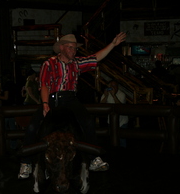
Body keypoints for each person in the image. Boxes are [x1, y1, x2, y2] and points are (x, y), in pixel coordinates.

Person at [18, 32, 127, 179]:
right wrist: (45, 104)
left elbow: (96, 57)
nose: (73, 51)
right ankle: (26, 163)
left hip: (70, 99)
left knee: (87, 121)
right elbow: (44, 85)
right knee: (33, 126)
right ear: (61, 48)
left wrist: (113, 44)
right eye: (70, 47)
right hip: (52, 98)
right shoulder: (49, 63)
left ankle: (94, 158)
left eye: (75, 48)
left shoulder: (77, 63)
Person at [100, 80, 128, 148]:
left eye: (114, 86)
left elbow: (120, 107)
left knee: (122, 140)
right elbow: (100, 105)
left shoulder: (122, 94)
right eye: (111, 86)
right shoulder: (106, 93)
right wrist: (106, 96)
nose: (112, 87)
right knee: (112, 140)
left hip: (122, 122)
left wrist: (114, 95)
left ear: (117, 87)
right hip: (111, 122)